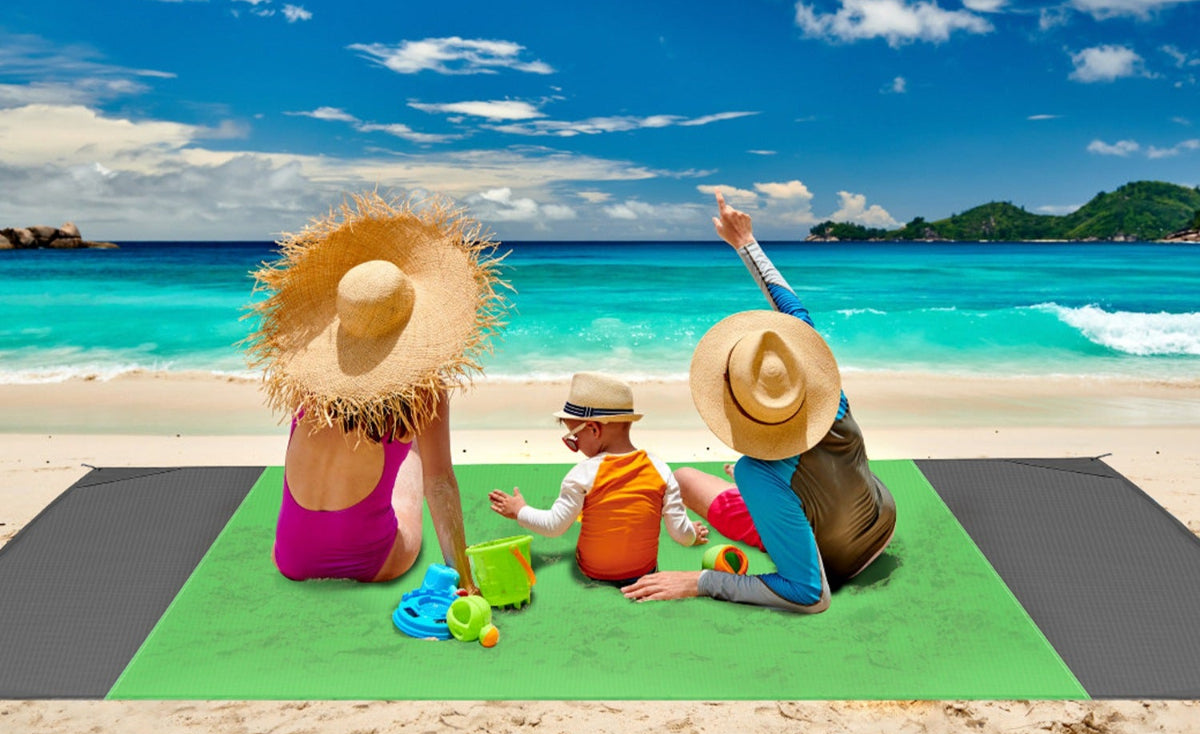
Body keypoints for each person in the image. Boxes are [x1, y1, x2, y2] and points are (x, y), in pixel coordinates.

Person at [623, 191, 896, 611]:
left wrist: (701, 581)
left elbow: (810, 595)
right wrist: (745, 242)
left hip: (835, 561)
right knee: (719, 478)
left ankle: (774, 498)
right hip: (881, 522)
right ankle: (781, 495)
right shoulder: (828, 391)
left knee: (685, 480)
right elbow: (790, 304)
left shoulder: (756, 472)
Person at [244, 191, 507, 586]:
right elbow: (439, 484)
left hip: (291, 558)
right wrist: (464, 578)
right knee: (414, 450)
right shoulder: (424, 391)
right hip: (373, 561)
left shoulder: (309, 380)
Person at [488, 372, 708, 583]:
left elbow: (553, 526)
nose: (574, 445)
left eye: (574, 438)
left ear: (593, 429)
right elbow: (681, 534)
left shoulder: (582, 474)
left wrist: (520, 510)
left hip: (594, 571)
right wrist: (692, 534)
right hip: (642, 571)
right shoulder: (661, 469)